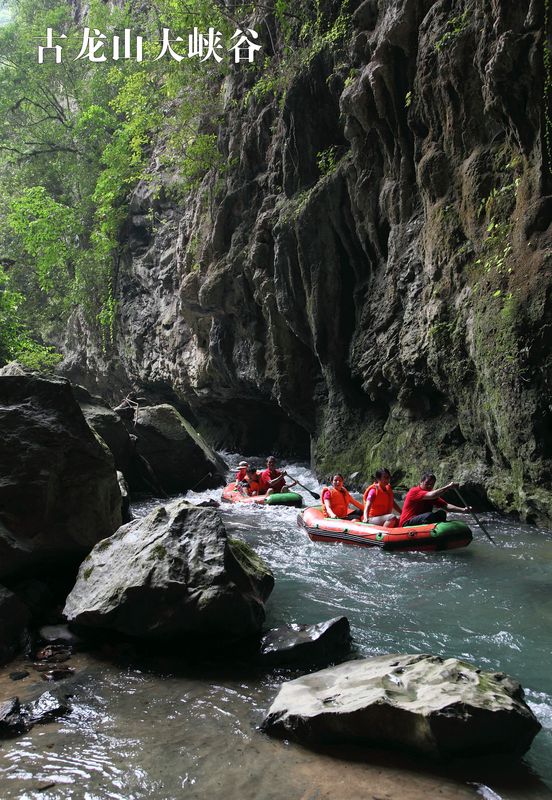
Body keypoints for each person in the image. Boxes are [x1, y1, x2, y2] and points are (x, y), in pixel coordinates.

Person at [399, 472, 472, 527]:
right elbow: (432, 495)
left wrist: (463, 510)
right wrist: (448, 487)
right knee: (429, 515)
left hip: (421, 520)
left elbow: (446, 506)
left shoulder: (430, 495)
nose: (429, 486)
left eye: (432, 484)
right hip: (407, 522)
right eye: (427, 483)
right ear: (421, 482)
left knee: (441, 513)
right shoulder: (414, 491)